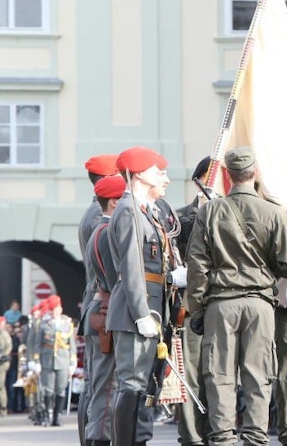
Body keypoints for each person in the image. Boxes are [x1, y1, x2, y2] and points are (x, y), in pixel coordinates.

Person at [187, 146, 287, 446]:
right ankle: (255, 438)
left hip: (220, 303)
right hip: (260, 303)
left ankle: (223, 439)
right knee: (258, 376)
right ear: (256, 173)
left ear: (228, 174)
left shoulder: (210, 211)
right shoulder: (274, 212)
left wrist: (196, 310)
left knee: (220, 377)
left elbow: (197, 265)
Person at [107, 146, 172, 446]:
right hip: (138, 312)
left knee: (144, 387)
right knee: (132, 386)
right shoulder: (129, 210)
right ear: (140, 173)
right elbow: (131, 267)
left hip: (148, 307)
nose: (162, 176)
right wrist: (141, 312)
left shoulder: (144, 210)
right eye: (157, 171)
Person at [81, 174, 126, 445]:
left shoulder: (100, 229)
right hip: (107, 311)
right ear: (113, 202)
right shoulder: (107, 232)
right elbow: (115, 281)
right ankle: (97, 438)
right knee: (107, 388)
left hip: (101, 310)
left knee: (102, 386)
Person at [174, 156, 212, 446]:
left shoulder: (237, 214)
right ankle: (192, 436)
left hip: (224, 304)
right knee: (191, 374)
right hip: (190, 308)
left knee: (219, 375)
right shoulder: (179, 219)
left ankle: (219, 433)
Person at [31, 295, 77, 427]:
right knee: (48, 389)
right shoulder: (44, 324)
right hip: (47, 360)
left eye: (57, 309)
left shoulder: (67, 323)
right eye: (52, 310)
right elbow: (38, 344)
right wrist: (36, 361)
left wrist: (73, 363)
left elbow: (71, 344)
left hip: (63, 360)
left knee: (60, 389)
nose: (55, 312)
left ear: (61, 309)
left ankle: (58, 416)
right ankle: (46, 415)